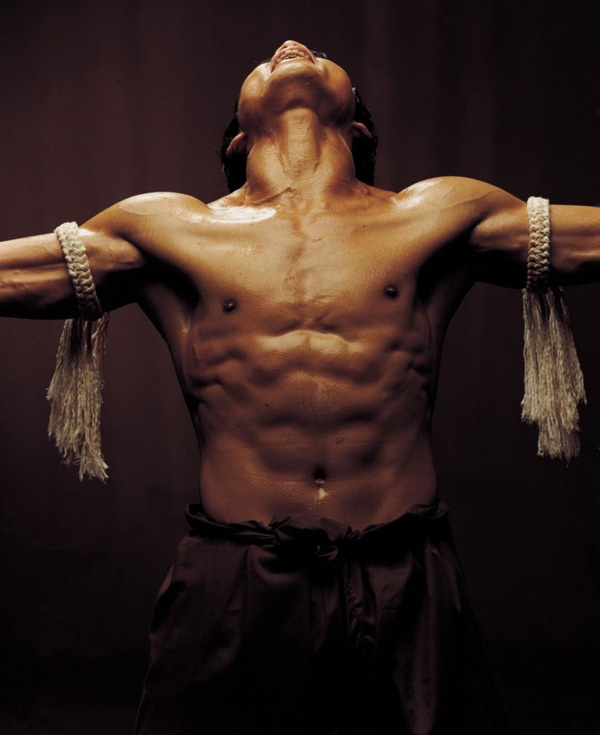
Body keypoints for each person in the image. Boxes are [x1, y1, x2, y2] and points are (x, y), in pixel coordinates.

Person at [1, 40, 599, 734]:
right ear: (238, 135)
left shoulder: (437, 213)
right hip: (239, 576)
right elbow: (17, 272)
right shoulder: (169, 227)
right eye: (267, 59)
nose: (291, 47)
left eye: (318, 52)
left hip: (404, 575)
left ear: (359, 126)